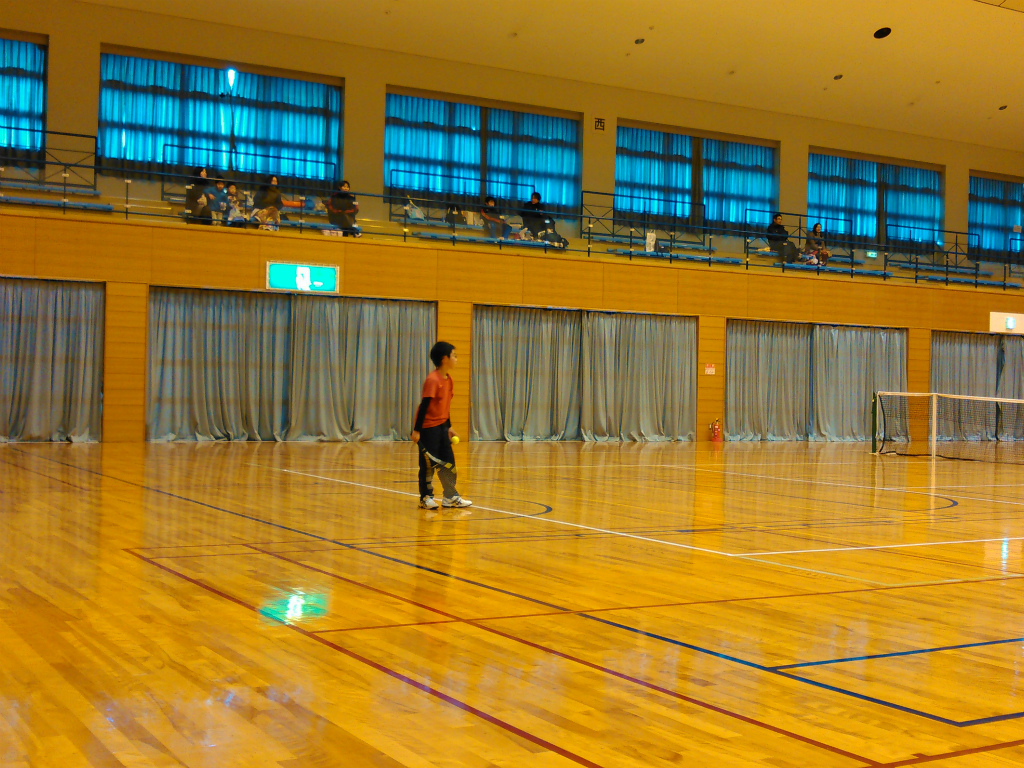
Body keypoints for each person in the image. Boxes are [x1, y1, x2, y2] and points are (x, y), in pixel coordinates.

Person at [411, 341, 472, 512]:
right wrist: (416, 430)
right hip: (428, 428)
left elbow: (445, 406)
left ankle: (450, 496)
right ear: (445, 359)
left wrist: (449, 426)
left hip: (442, 428)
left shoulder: (449, 380)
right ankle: (426, 498)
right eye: (454, 355)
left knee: (448, 463)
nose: (456, 359)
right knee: (428, 465)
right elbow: (424, 406)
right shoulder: (433, 380)